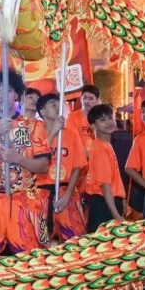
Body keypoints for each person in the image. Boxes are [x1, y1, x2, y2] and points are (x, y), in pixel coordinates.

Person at [0, 70, 51, 258]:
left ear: (16, 95)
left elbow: (43, 166)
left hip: (25, 201)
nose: (2, 96)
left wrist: (18, 158)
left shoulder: (34, 126)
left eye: (8, 90)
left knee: (32, 260)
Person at [37, 92, 87, 243]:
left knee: (74, 239)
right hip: (40, 193)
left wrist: (67, 195)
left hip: (66, 191)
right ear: (43, 112)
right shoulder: (36, 134)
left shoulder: (71, 134)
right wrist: (53, 131)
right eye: (53, 104)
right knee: (41, 241)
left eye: (59, 104)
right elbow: (37, 157)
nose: (58, 107)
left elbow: (78, 167)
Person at [85, 104, 125, 233]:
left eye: (110, 117)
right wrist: (116, 215)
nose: (108, 122)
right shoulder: (101, 149)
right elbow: (105, 186)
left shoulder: (105, 145)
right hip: (104, 205)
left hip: (107, 202)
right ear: (94, 126)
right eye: (102, 120)